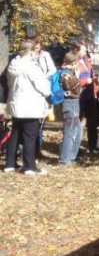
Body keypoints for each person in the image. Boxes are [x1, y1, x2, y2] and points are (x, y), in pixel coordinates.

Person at [3, 39, 51, 175]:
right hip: (31, 105)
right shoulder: (31, 67)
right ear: (30, 52)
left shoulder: (13, 64)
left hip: (16, 104)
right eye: (35, 51)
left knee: (15, 133)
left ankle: (10, 164)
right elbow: (43, 87)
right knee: (30, 136)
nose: (37, 54)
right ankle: (29, 166)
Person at [72, 42, 99, 153]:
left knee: (92, 121)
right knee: (78, 122)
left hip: (90, 94)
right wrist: (85, 81)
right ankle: (76, 147)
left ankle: (94, 145)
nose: (85, 53)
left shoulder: (85, 59)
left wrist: (94, 89)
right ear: (76, 51)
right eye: (83, 51)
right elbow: (70, 80)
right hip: (79, 96)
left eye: (85, 51)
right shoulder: (72, 61)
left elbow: (91, 74)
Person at [32, 36, 57, 159]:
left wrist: (45, 77)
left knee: (41, 121)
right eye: (34, 47)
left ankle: (38, 148)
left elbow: (52, 70)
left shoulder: (45, 55)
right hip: (32, 91)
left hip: (44, 87)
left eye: (38, 47)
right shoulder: (27, 56)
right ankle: (31, 148)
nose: (36, 49)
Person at [58, 52, 83, 166]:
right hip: (69, 103)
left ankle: (72, 156)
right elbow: (75, 89)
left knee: (78, 129)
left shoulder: (71, 73)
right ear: (73, 62)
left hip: (75, 103)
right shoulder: (65, 74)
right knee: (69, 131)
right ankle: (64, 160)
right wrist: (77, 80)